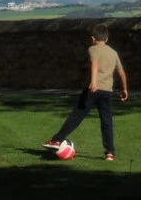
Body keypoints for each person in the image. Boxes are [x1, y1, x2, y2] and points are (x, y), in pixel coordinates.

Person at [42, 23, 129, 160]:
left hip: (93, 90)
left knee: (77, 115)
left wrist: (93, 82)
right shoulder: (113, 53)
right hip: (107, 92)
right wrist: (124, 89)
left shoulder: (93, 49)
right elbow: (121, 71)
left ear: (93, 38)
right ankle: (110, 153)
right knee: (107, 122)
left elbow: (94, 64)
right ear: (106, 39)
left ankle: (57, 140)